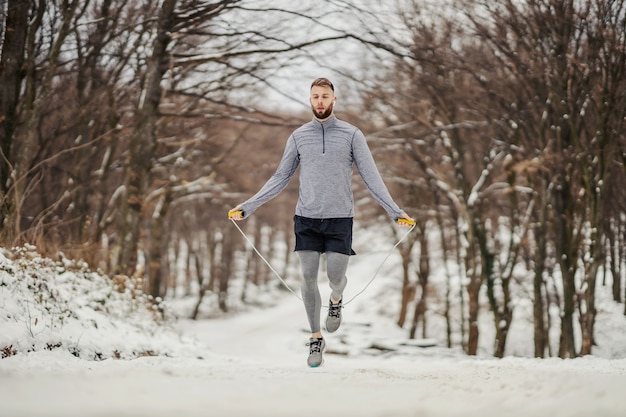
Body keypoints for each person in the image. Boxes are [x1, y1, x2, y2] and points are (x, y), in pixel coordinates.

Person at [229, 77, 413, 367]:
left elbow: (371, 176)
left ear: (334, 100)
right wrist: (247, 207)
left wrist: (395, 211)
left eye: (325, 96)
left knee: (335, 279)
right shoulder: (299, 136)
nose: (320, 101)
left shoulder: (352, 135)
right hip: (307, 219)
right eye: (315, 96)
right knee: (307, 277)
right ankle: (315, 338)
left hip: (340, 219)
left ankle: (336, 302)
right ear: (310, 99)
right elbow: (280, 177)